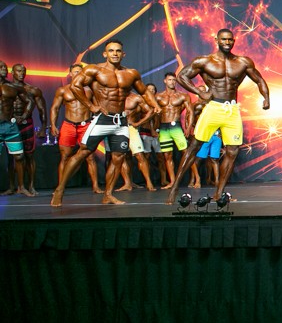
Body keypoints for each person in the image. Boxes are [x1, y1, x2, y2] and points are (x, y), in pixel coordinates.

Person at [165, 28, 270, 204]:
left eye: (230, 40)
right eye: (224, 39)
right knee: (194, 146)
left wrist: (266, 97)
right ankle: (175, 187)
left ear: (234, 41)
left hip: (232, 109)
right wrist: (199, 91)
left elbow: (259, 80)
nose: (227, 42)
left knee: (232, 151)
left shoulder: (243, 62)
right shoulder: (204, 61)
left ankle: (219, 192)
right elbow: (182, 76)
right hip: (213, 107)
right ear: (217, 40)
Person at [51, 40, 160, 206]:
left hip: (121, 121)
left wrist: (155, 104)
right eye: (111, 51)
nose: (115, 54)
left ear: (123, 54)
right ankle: (60, 190)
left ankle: (108, 194)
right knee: (83, 152)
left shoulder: (131, 73)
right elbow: (75, 86)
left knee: (119, 157)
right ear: (105, 54)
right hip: (102, 119)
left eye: (118, 51)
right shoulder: (94, 70)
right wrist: (91, 106)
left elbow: (144, 91)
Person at [49, 64, 102, 194]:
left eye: (80, 72)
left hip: (86, 125)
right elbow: (55, 108)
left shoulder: (89, 90)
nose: (78, 74)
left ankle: (96, 186)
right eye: (75, 72)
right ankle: (60, 187)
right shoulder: (63, 90)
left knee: (90, 157)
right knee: (65, 157)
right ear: (70, 74)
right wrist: (53, 125)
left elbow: (97, 107)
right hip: (69, 125)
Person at [4, 64, 47, 196]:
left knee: (29, 155)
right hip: (10, 124)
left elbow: (42, 110)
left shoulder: (33, 90)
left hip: (25, 124)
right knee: (11, 157)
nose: (21, 73)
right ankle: (12, 186)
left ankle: (31, 186)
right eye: (18, 71)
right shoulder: (6, 88)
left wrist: (43, 128)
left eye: (23, 71)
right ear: (12, 72)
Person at [156, 72, 197, 189]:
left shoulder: (182, 96)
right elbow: (154, 113)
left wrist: (188, 127)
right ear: (165, 81)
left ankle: (197, 178)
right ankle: (172, 182)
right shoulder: (158, 96)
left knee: (186, 153)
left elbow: (190, 112)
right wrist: (155, 128)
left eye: (174, 80)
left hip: (176, 127)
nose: (172, 82)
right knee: (167, 155)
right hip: (163, 128)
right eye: (170, 80)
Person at [0, 60, 34, 196]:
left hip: (10, 126)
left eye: (4, 67)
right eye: (0, 67)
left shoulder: (13, 87)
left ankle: (21, 187)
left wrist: (24, 115)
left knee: (19, 156)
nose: (3, 69)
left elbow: (29, 101)